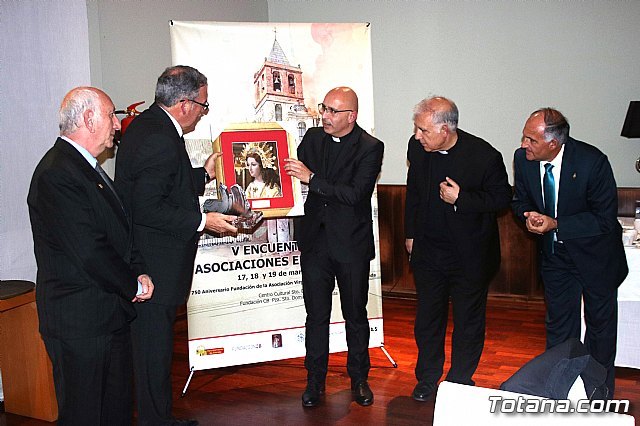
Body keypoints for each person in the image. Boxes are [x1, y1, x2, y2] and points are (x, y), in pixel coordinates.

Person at [115, 65, 237, 426]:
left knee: (154, 350)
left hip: (155, 260)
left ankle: (159, 417)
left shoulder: (153, 127)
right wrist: (203, 221)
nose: (203, 112)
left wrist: (204, 174)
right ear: (184, 103)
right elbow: (148, 207)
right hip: (155, 265)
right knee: (152, 351)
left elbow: (168, 185)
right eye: (203, 105)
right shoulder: (159, 137)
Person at [27, 86, 154, 425]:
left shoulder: (86, 168)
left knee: (115, 413)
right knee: (84, 416)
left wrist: (138, 271)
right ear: (88, 118)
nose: (117, 124)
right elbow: (89, 250)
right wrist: (132, 285)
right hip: (79, 325)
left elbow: (119, 231)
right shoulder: (57, 174)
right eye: (112, 115)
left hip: (108, 316)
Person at [512, 108, 628, 397]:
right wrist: (528, 215)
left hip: (596, 258)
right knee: (560, 330)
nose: (524, 145)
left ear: (553, 143)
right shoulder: (523, 160)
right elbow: (520, 199)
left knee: (600, 331)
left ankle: (598, 396)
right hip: (555, 257)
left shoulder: (592, 162)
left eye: (531, 140)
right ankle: (559, 394)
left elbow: (604, 219)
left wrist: (557, 224)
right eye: (524, 137)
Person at [405, 96, 511, 402]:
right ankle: (427, 378)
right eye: (417, 129)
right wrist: (410, 234)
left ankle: (460, 381)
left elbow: (502, 199)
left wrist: (462, 199)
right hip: (428, 252)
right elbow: (413, 193)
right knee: (428, 320)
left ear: (445, 129)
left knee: (468, 322)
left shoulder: (484, 155)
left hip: (470, 255)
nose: (417, 136)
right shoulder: (418, 148)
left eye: (424, 130)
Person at [283, 86, 384, 407]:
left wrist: (312, 179)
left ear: (351, 116)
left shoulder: (370, 147)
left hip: (351, 245)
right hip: (315, 243)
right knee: (316, 316)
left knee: (355, 315)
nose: (324, 116)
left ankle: (359, 379)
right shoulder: (313, 138)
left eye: (332, 111)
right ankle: (315, 382)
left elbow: (354, 195)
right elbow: (287, 172)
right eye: (323, 108)